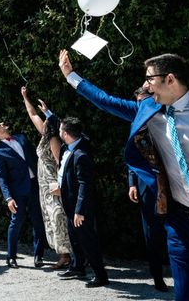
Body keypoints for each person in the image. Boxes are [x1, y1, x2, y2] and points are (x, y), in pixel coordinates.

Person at [59, 50, 189, 299]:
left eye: (150, 79)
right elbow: (106, 100)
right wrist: (71, 75)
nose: (146, 85)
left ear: (170, 79)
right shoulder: (147, 110)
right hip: (181, 225)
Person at [20, 87, 72, 269]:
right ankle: (64, 254)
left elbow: (60, 163)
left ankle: (68, 255)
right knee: (51, 219)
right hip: (44, 185)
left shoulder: (53, 140)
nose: (42, 122)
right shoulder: (46, 134)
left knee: (59, 218)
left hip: (52, 184)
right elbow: (32, 114)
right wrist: (26, 97)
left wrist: (59, 185)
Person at [57, 117, 109, 288]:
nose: (58, 131)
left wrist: (80, 211)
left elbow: (85, 185)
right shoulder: (69, 146)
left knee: (88, 240)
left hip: (79, 207)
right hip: (69, 203)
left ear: (65, 133)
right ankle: (78, 267)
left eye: (60, 129)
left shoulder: (81, 154)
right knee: (74, 238)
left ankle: (101, 276)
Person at [0, 121, 46, 269]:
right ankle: (11, 257)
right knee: (16, 222)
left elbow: (36, 157)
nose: (2, 124)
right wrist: (8, 198)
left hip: (35, 186)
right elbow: (1, 177)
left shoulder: (21, 137)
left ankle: (38, 255)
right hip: (18, 192)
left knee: (38, 221)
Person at [127, 86, 168, 292]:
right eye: (139, 102)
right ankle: (158, 278)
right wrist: (132, 183)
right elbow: (132, 157)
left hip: (171, 185)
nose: (142, 106)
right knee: (151, 233)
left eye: (145, 101)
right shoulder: (136, 123)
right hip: (146, 187)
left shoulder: (166, 116)